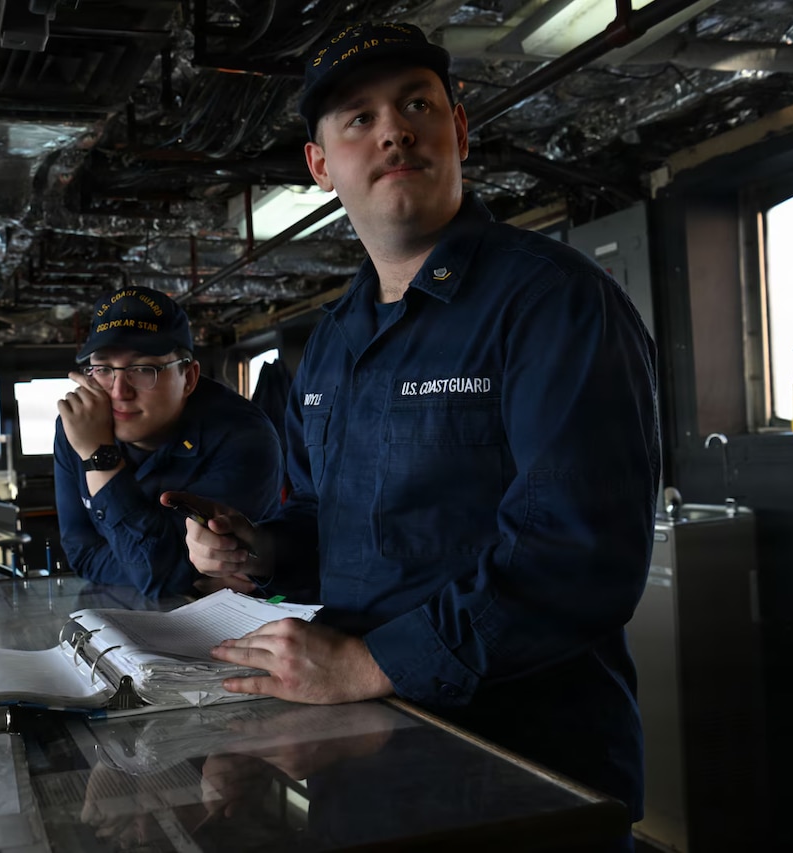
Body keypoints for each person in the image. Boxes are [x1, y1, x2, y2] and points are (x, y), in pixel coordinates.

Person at [165, 20, 661, 850]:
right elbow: (330, 517)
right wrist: (261, 549)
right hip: (370, 754)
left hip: (530, 771)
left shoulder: (550, 302)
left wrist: (365, 665)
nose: (392, 128)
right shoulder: (331, 342)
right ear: (321, 167)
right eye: (358, 117)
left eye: (417, 104)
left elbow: (577, 552)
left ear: (458, 130)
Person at [55, 285, 284, 598]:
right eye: (104, 369)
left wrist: (99, 457)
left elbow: (156, 573)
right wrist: (180, 574)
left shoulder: (243, 437)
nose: (119, 392)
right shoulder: (79, 423)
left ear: (188, 378)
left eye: (141, 369)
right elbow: (83, 556)